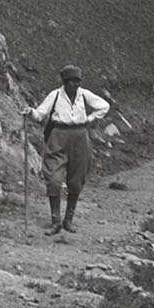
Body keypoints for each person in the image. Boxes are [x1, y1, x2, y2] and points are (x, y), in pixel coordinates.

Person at [25, 65, 111, 235]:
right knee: (54, 178)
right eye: (70, 82)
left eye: (77, 82)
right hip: (58, 135)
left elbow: (104, 106)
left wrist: (90, 118)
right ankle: (55, 221)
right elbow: (40, 114)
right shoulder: (55, 95)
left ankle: (68, 220)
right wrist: (30, 112)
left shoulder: (84, 95)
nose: (74, 85)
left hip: (80, 136)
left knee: (76, 178)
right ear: (64, 82)